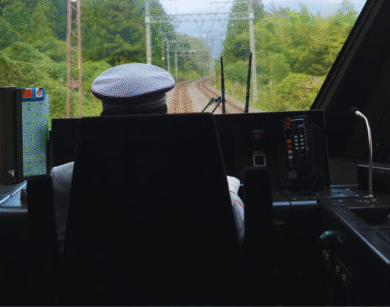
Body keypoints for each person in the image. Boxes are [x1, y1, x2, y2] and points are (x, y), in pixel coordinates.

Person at [50, 63, 245, 243]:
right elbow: (237, 231)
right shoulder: (201, 178)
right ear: (166, 116)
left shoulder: (61, 180)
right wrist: (225, 186)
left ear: (102, 119)